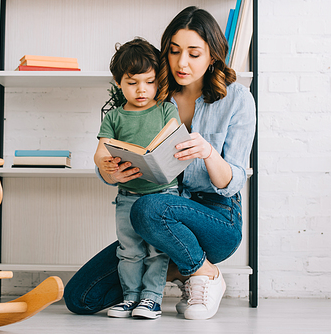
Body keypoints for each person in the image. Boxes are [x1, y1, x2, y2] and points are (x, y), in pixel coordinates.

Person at [64, 6, 256, 320]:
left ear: (213, 56)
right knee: (81, 298)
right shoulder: (152, 93)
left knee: (148, 208)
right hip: (157, 218)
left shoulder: (237, 99)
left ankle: (205, 273)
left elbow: (232, 181)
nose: (182, 63)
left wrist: (208, 153)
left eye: (194, 53)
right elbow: (109, 150)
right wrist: (111, 173)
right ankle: (180, 268)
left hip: (216, 217)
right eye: (175, 51)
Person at [93, 37, 181, 319]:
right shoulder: (115, 118)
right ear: (119, 83)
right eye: (132, 83)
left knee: (157, 251)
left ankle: (152, 299)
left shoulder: (167, 109)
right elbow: (100, 153)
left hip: (163, 195)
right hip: (127, 196)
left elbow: (174, 140)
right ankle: (131, 297)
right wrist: (107, 168)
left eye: (149, 81)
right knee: (129, 250)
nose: (142, 90)